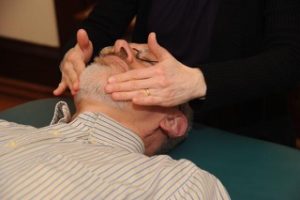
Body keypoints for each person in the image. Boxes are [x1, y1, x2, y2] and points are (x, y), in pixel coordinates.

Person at [0, 41, 230, 199]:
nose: (120, 45)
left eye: (146, 59)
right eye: (111, 48)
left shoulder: (179, 184)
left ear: (172, 120)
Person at [53, 0, 300, 145]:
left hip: (242, 128)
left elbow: (290, 59)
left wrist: (198, 82)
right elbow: (100, 25)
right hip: (147, 121)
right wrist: (75, 54)